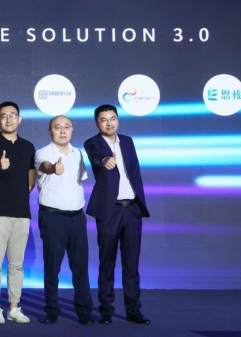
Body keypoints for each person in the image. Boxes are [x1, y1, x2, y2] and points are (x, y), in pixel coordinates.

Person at [84, 104, 150, 325]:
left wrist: (138, 204)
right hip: (109, 210)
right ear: (97, 123)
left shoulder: (128, 141)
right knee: (107, 262)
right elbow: (97, 157)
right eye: (103, 120)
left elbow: (135, 173)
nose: (109, 123)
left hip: (131, 209)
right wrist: (105, 161)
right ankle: (106, 310)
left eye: (113, 118)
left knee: (131, 264)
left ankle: (133, 310)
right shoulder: (92, 143)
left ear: (118, 119)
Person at [35, 115, 94, 325]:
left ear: (72, 129)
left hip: (77, 218)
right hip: (53, 217)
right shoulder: (43, 153)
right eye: (57, 127)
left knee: (81, 266)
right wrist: (53, 168)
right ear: (50, 131)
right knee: (52, 266)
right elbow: (45, 166)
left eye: (66, 127)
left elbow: (79, 181)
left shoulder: (78, 153)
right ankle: (52, 310)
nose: (62, 131)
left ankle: (84, 310)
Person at [0, 102, 36, 324]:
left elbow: (31, 176)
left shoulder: (28, 146)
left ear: (19, 119)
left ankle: (14, 307)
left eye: (13, 115)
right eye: (4, 116)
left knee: (17, 263)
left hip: (21, 212)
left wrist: (22, 192)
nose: (8, 119)